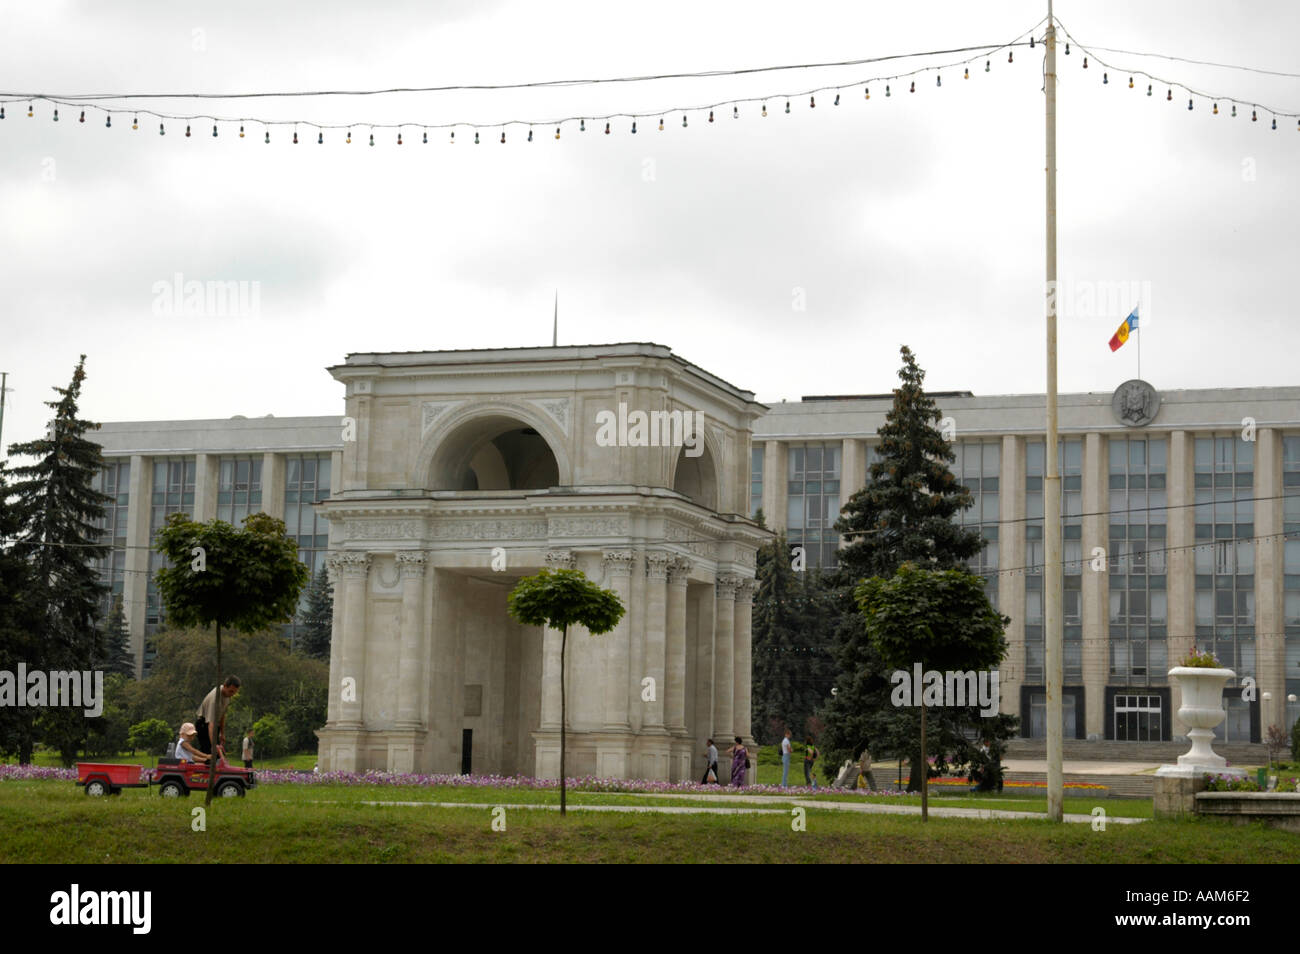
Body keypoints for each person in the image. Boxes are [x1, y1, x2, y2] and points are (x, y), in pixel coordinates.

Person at [195, 676, 241, 764]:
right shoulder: (215, 699)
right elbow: (210, 725)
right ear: (225, 686)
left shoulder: (227, 695)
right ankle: (203, 775)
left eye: (235, 692)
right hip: (204, 725)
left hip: (214, 725)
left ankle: (211, 775)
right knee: (209, 754)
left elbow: (222, 714)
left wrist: (222, 733)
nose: (232, 694)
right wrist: (213, 745)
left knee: (218, 755)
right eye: (231, 691)